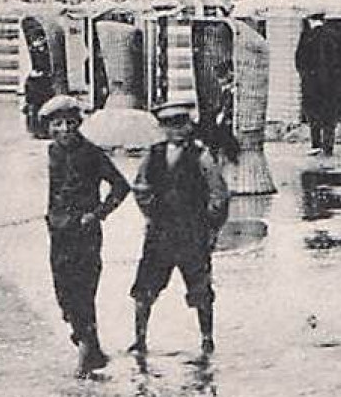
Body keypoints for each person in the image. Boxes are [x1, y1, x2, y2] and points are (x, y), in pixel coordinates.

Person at [129, 100, 231, 357]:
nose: (177, 130)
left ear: (189, 126)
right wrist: (152, 212)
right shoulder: (153, 154)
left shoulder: (202, 156)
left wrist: (210, 227)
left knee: (200, 287)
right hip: (160, 233)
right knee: (145, 288)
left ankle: (207, 338)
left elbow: (218, 194)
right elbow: (140, 187)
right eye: (170, 125)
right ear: (162, 128)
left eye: (182, 124)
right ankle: (139, 339)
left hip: (192, 233)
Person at [41, 95, 131, 376]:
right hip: (58, 232)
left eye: (70, 123)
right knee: (63, 293)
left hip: (85, 231)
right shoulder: (53, 152)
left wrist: (98, 213)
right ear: (50, 128)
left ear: (78, 124)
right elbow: (54, 191)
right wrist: (50, 217)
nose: (65, 129)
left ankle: (85, 351)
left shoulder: (91, 153)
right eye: (58, 124)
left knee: (83, 290)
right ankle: (91, 347)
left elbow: (121, 186)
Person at [295, 12, 341, 157]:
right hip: (331, 84)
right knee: (329, 116)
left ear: (310, 20)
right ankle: (328, 147)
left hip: (311, 84)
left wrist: (306, 76)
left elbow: (298, 61)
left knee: (313, 115)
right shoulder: (334, 35)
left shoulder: (306, 37)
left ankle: (315, 144)